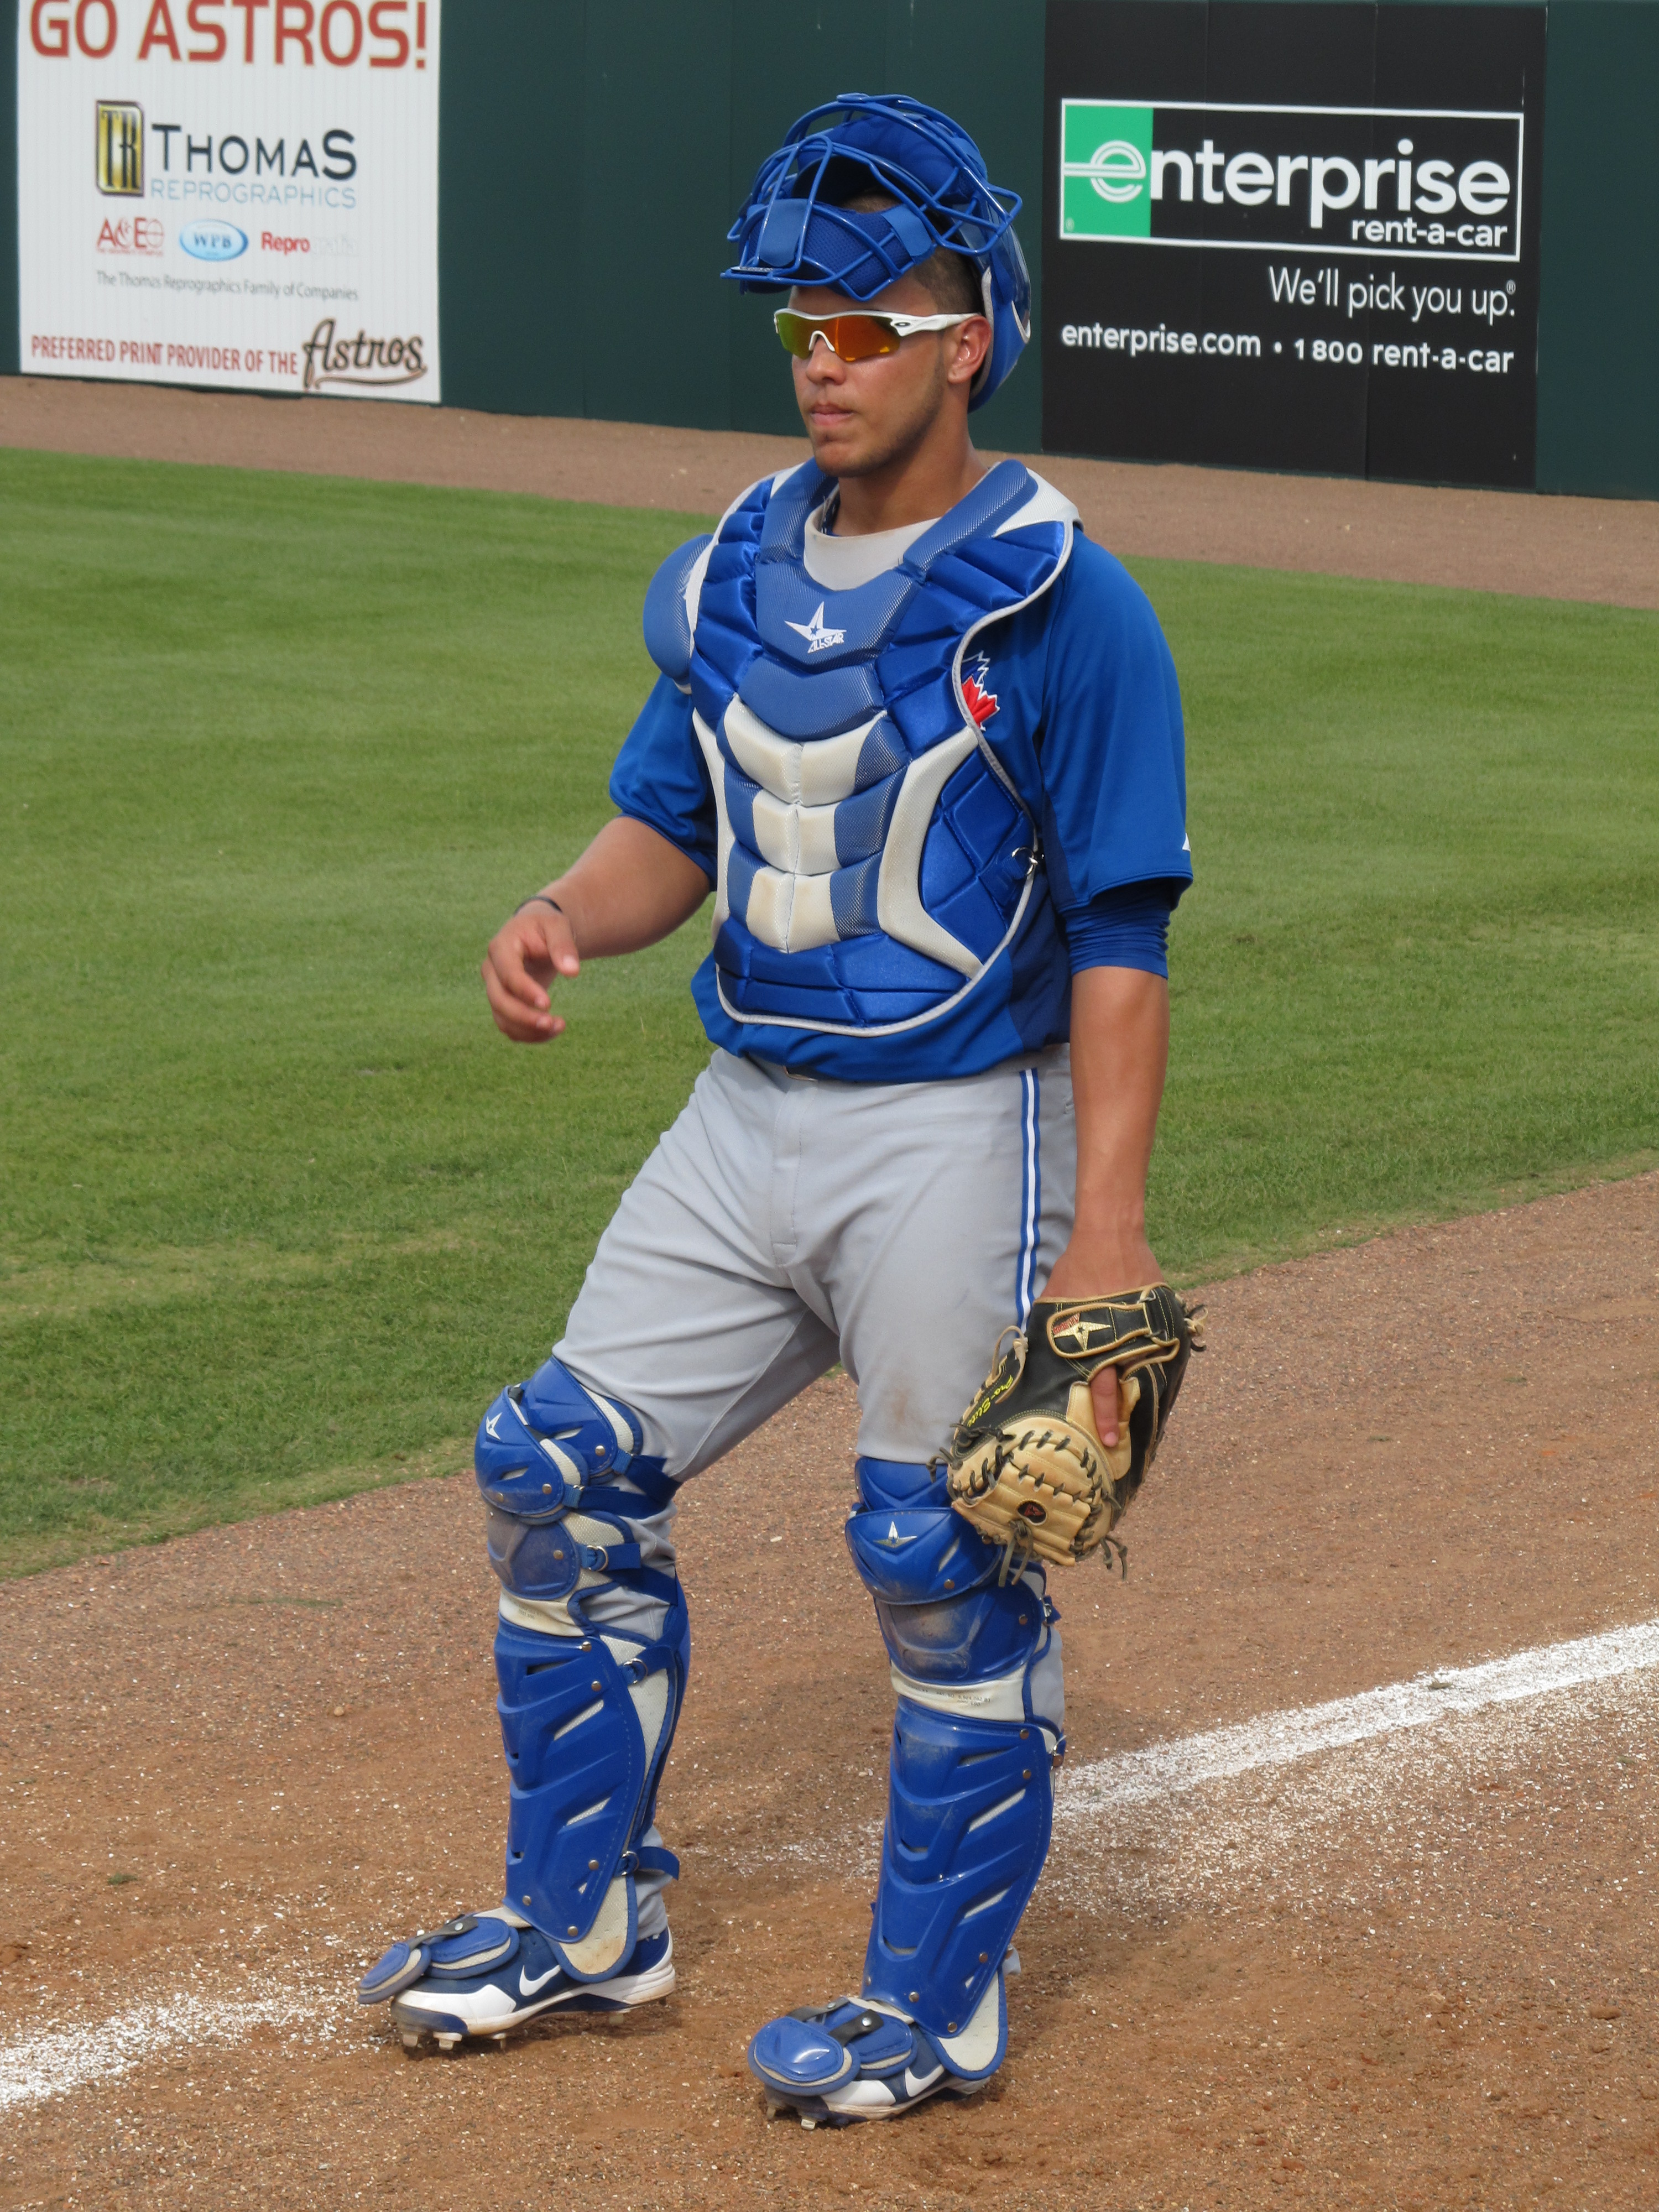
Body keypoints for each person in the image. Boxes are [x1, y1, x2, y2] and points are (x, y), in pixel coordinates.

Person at [358, 92, 1193, 2127]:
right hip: (745, 1117)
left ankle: (934, 2009)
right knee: (548, 1470)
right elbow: (679, 824)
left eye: (864, 326)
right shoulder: (735, 564)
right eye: (803, 328)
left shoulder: (1062, 600)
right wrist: (566, 913)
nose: (823, 361)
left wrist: (1108, 1224)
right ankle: (587, 1924)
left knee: (940, 1556)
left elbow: (1121, 939)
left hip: (955, 1136)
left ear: (965, 335)